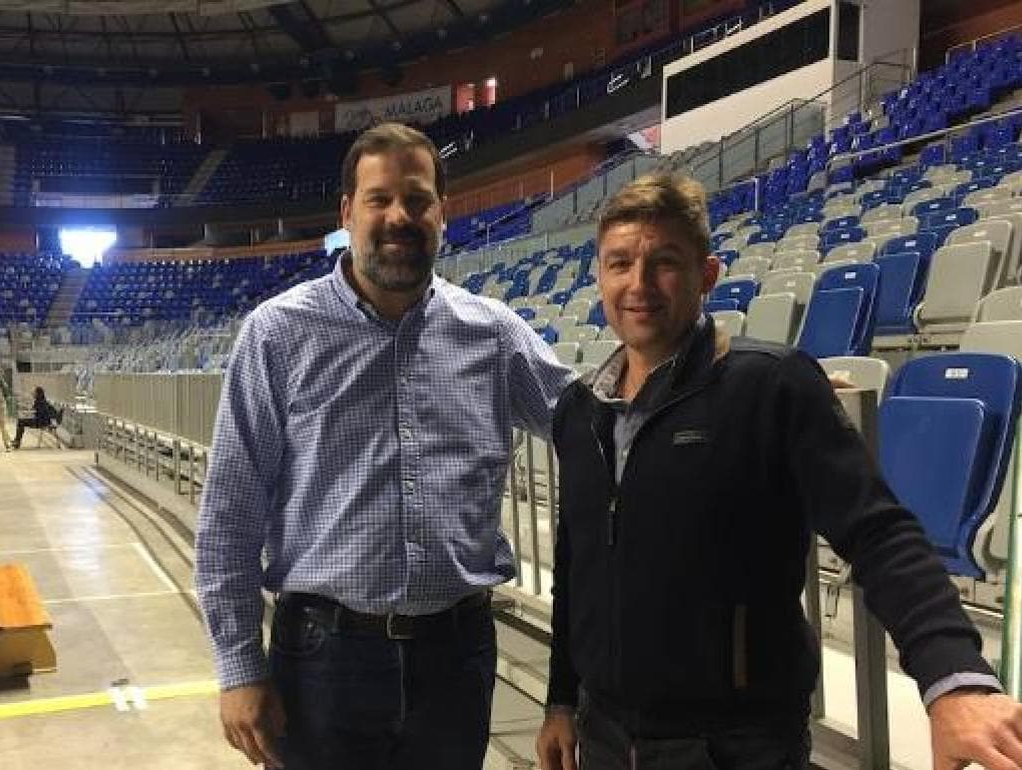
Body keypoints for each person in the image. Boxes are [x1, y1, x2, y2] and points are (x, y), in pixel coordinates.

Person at [536, 172, 1022, 770]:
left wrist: (955, 677)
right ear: (599, 276)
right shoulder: (579, 412)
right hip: (604, 735)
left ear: (706, 276)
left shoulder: (771, 386)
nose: (638, 285)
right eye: (619, 264)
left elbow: (879, 533)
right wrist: (561, 702)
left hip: (734, 746)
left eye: (663, 262)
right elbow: (575, 568)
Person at [195, 121, 575, 770]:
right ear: (347, 212)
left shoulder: (493, 334)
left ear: (442, 213)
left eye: (418, 199)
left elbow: (593, 420)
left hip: (456, 657)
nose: (400, 215)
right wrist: (238, 667)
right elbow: (230, 515)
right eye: (379, 199)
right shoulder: (278, 334)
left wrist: (709, 383)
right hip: (323, 662)